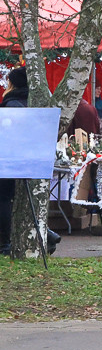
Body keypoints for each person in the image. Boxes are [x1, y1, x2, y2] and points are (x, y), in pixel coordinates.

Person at [0, 67, 29, 255]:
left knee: (3, 198)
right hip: (27, 158)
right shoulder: (30, 102)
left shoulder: (10, 104)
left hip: (8, 158)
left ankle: (5, 243)